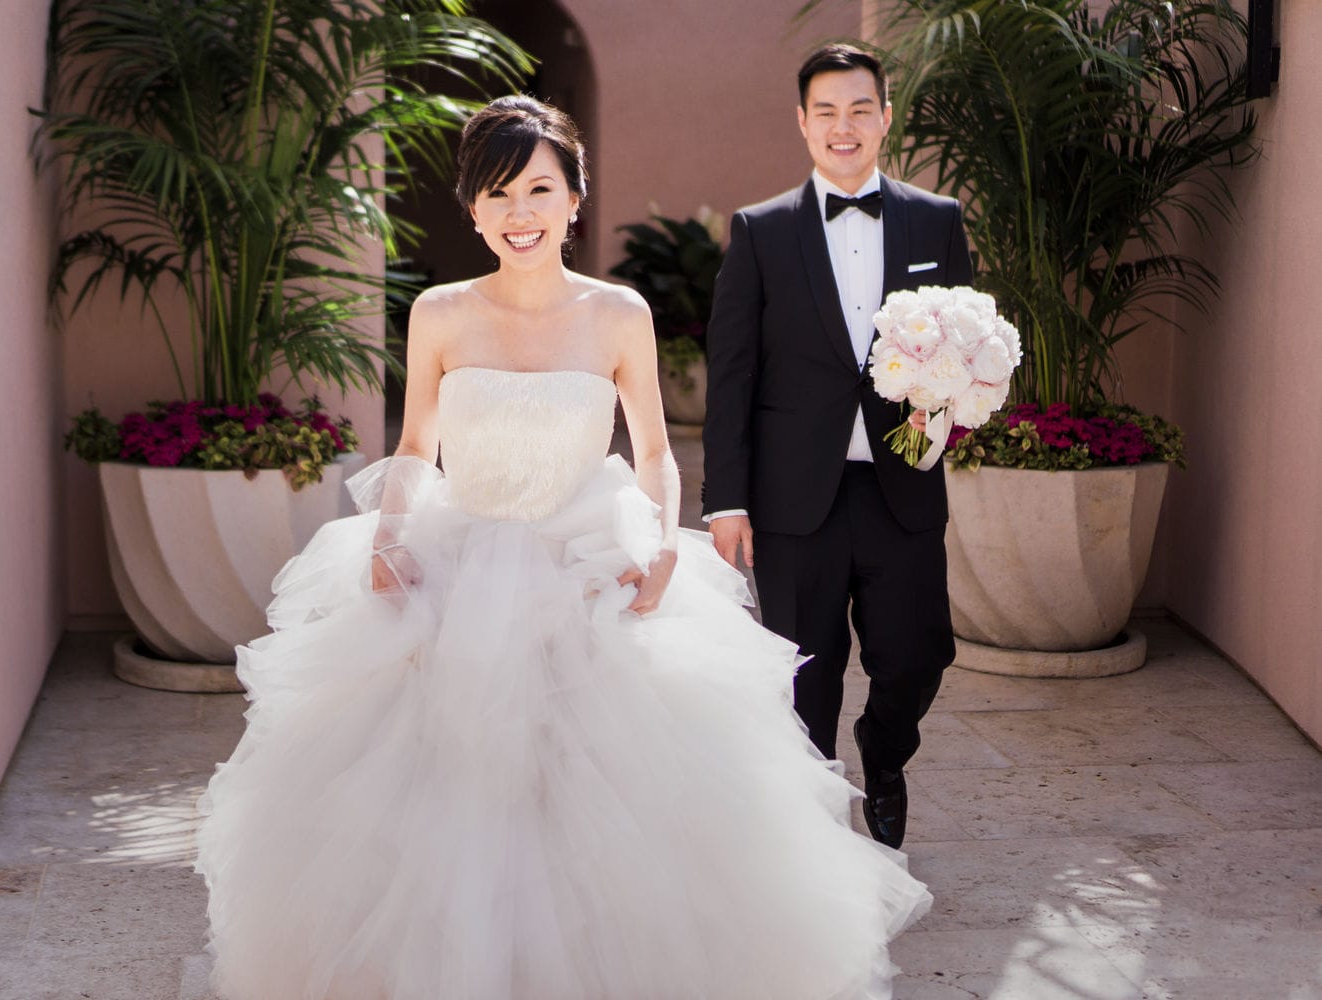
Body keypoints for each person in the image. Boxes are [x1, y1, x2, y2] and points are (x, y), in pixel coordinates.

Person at [196, 95, 930, 1000]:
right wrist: (388, 537)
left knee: (604, 782)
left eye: (540, 189)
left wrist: (661, 544)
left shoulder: (619, 314)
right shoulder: (439, 312)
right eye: (498, 194)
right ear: (472, 208)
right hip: (459, 561)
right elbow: (415, 445)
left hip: (586, 564)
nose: (521, 213)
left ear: (575, 198)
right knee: (443, 786)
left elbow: (654, 452)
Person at [703, 44, 974, 850]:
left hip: (902, 488)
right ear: (802, 123)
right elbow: (732, 375)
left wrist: (953, 409)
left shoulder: (936, 220)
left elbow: (966, 348)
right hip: (793, 498)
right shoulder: (759, 231)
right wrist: (726, 500)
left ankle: (883, 759)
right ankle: (815, 827)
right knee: (804, 677)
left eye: (860, 109)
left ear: (885, 117)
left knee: (917, 656)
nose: (843, 126)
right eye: (826, 111)